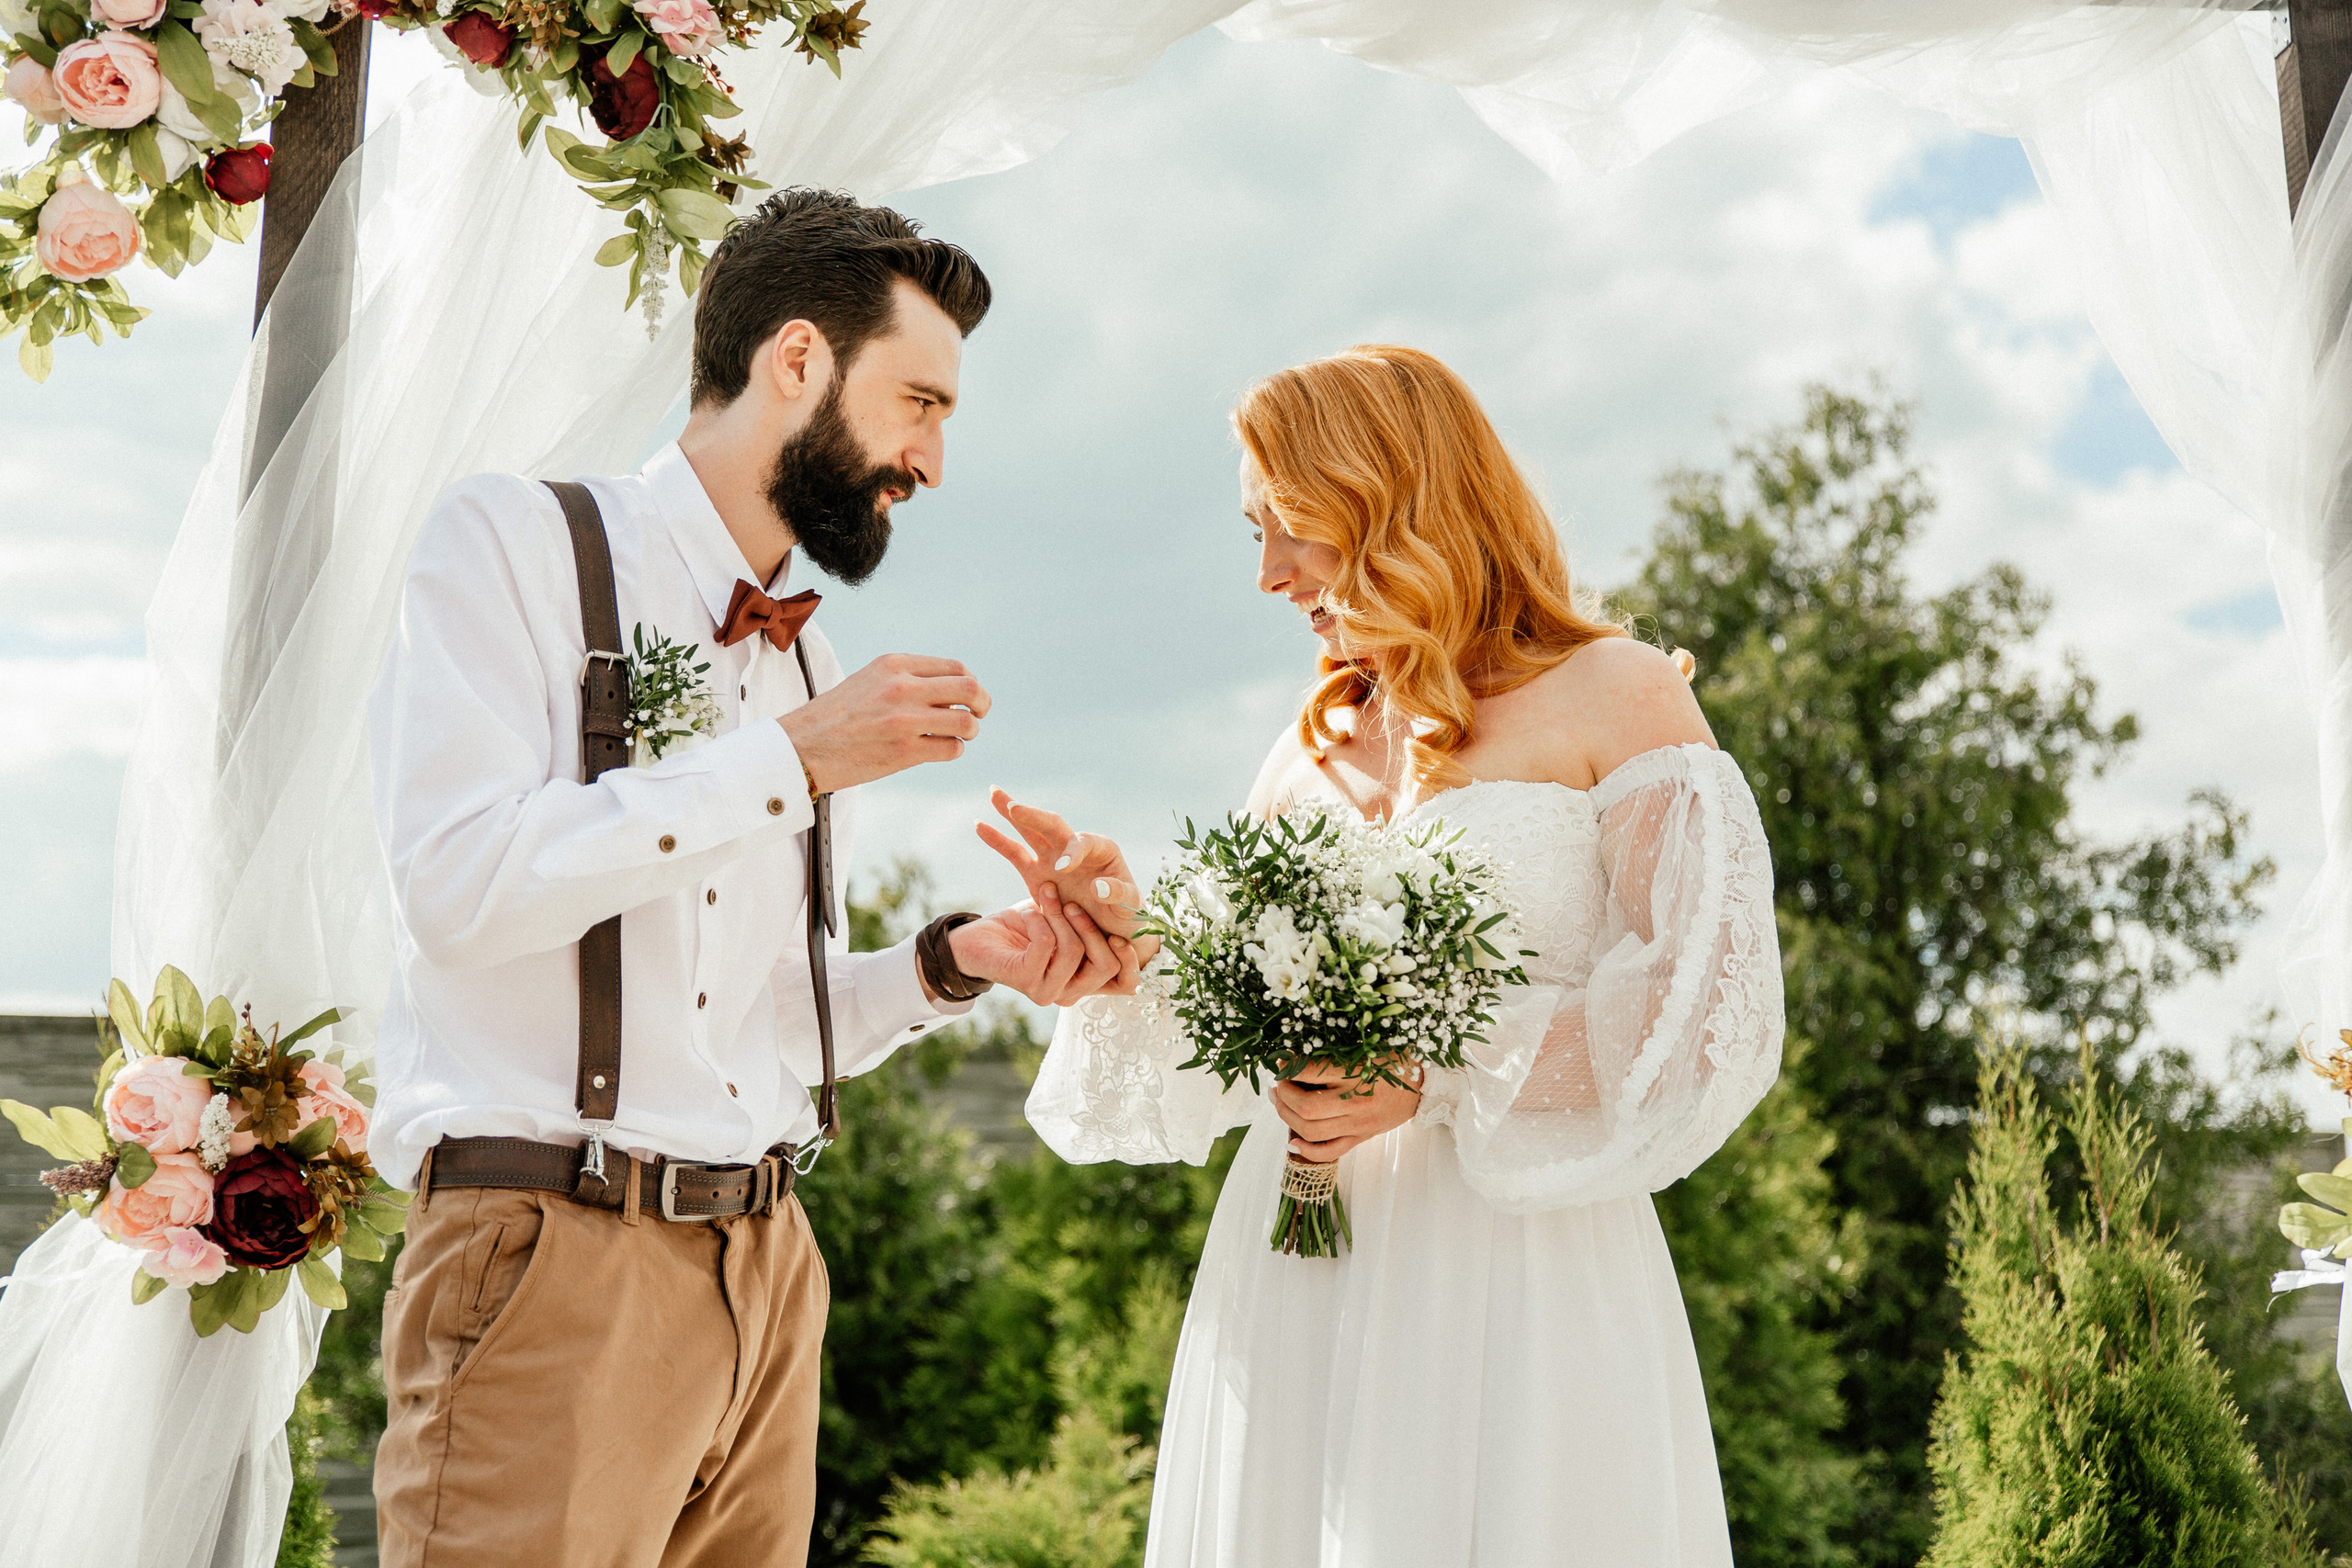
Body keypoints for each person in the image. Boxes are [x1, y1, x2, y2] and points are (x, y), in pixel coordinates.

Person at [364, 189, 1139, 1568]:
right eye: (920, 402)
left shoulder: (806, 661)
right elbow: (459, 888)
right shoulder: (517, 543)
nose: (933, 461)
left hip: (768, 1269)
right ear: (797, 362)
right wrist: (785, 761)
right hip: (555, 1252)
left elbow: (760, 1020)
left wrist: (957, 963)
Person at [986, 345, 1784, 1566]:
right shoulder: (1308, 748)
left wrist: (1437, 1075)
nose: (1266, 576)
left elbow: (1705, 1006)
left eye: (1285, 526)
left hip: (1521, 1274)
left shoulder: (1612, 694)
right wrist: (1133, 944)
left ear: (1386, 492)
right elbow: (1236, 1034)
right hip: (1299, 1271)